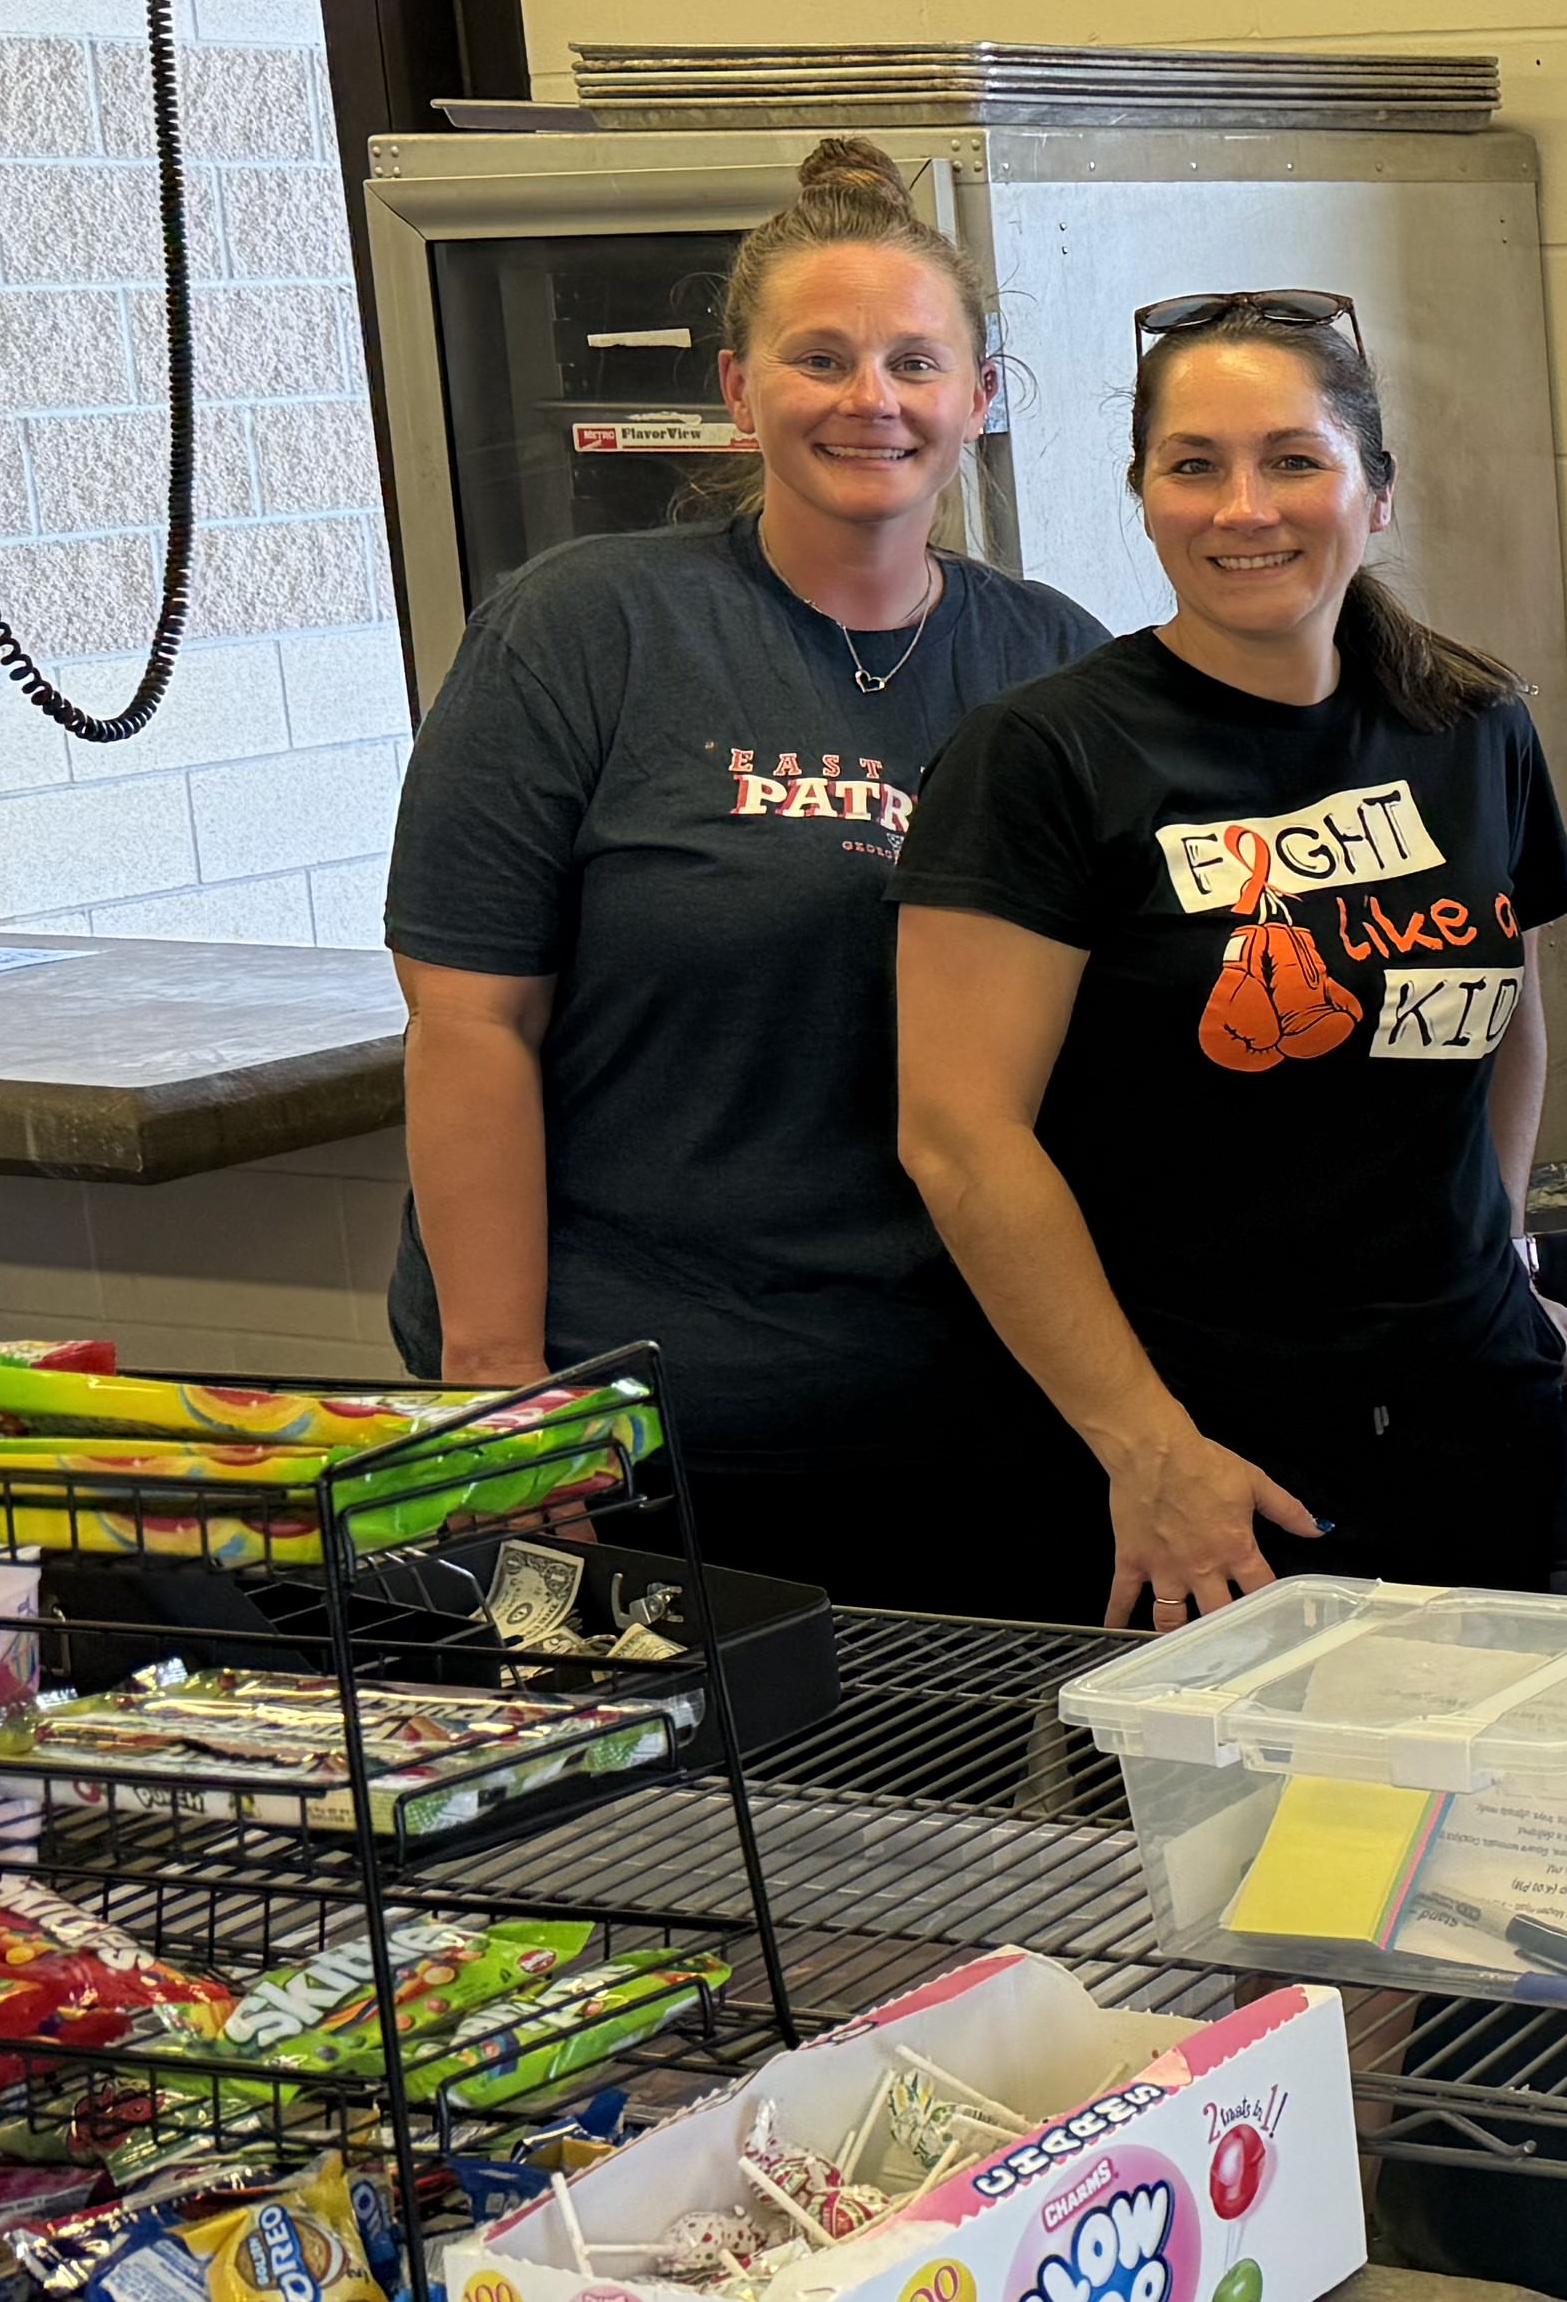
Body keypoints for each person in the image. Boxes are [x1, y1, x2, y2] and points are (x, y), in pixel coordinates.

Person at [385, 137, 1105, 1591]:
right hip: (632, 1424)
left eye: (915, 362)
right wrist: (503, 1394)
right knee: (637, 1824)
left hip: (966, 1412)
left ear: (980, 398)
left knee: (946, 1820)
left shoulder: (1053, 662)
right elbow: (470, 1024)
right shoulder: (586, 630)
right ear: (736, 392)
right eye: (820, 358)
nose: (871, 401)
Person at [896, 291, 1567, 1624]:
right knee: (1231, 1841)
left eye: (1294, 461)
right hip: (1206, 1460)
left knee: (1472, 1828)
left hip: (1473, 1423)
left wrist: (1498, 1263)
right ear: (1144, 497)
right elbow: (958, 1138)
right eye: (1194, 466)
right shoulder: (1046, 759)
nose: (1243, 507)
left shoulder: (1472, 726)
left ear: (1374, 494)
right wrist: (1149, 1449)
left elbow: (1506, 1017)